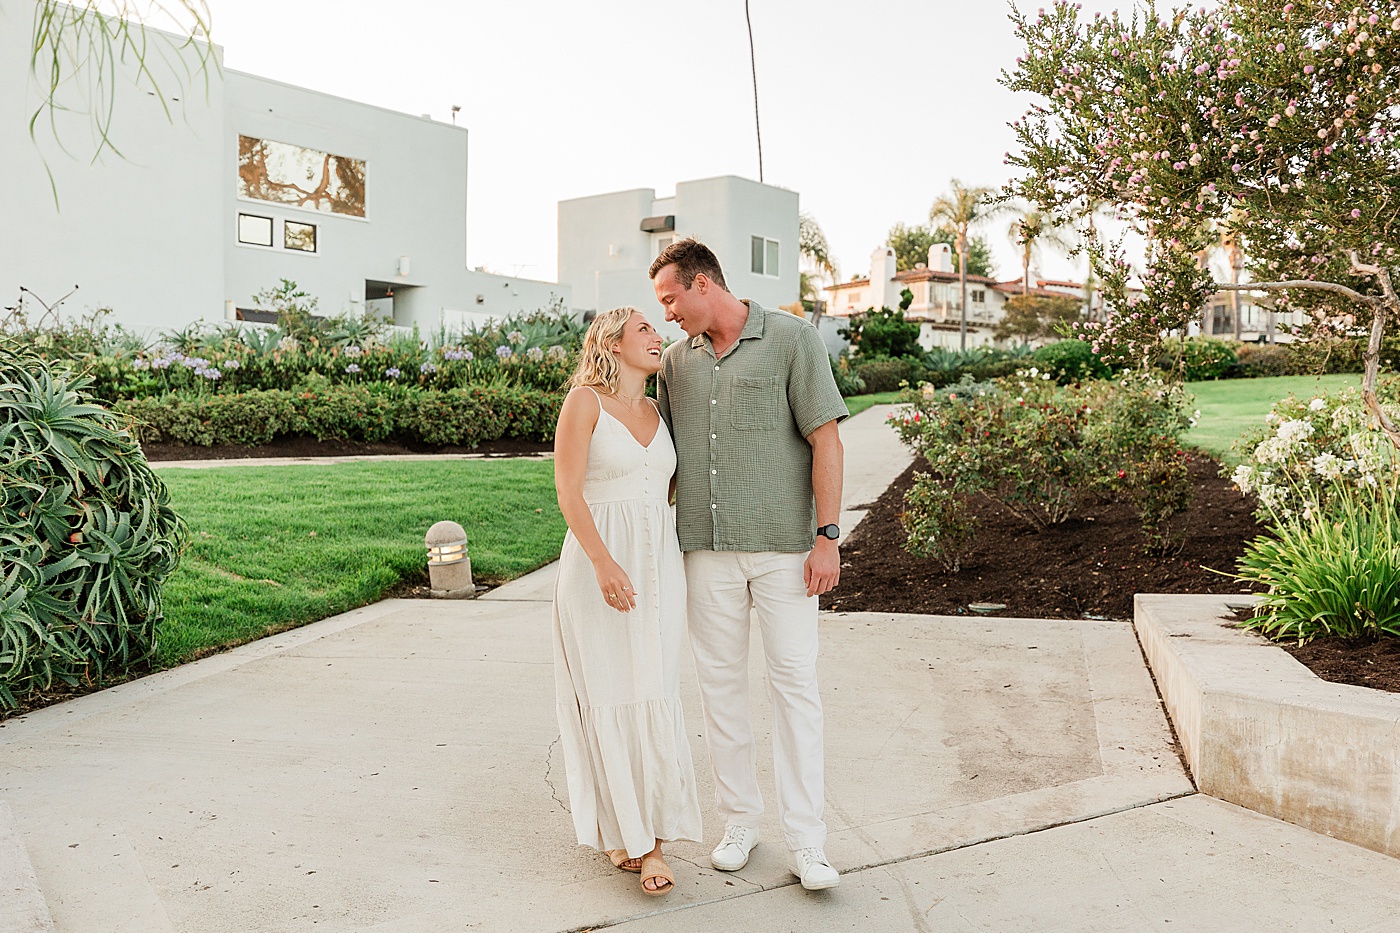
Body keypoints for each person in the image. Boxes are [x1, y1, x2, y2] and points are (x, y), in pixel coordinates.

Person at [651, 238, 848, 891]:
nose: (668, 313)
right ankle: (740, 821)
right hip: (706, 549)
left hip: (787, 549)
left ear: (703, 282)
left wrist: (828, 536)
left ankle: (809, 841)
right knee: (720, 691)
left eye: (671, 298)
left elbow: (827, 438)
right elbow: (665, 461)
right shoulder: (675, 365)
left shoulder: (793, 340)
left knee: (795, 686)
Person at [550, 306, 703, 897]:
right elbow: (568, 488)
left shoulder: (657, 411)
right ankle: (646, 844)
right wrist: (603, 561)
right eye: (644, 329)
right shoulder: (585, 401)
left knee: (654, 688)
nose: (656, 336)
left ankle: (637, 828)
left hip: (659, 566)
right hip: (598, 565)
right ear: (611, 343)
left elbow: (660, 491)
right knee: (611, 692)